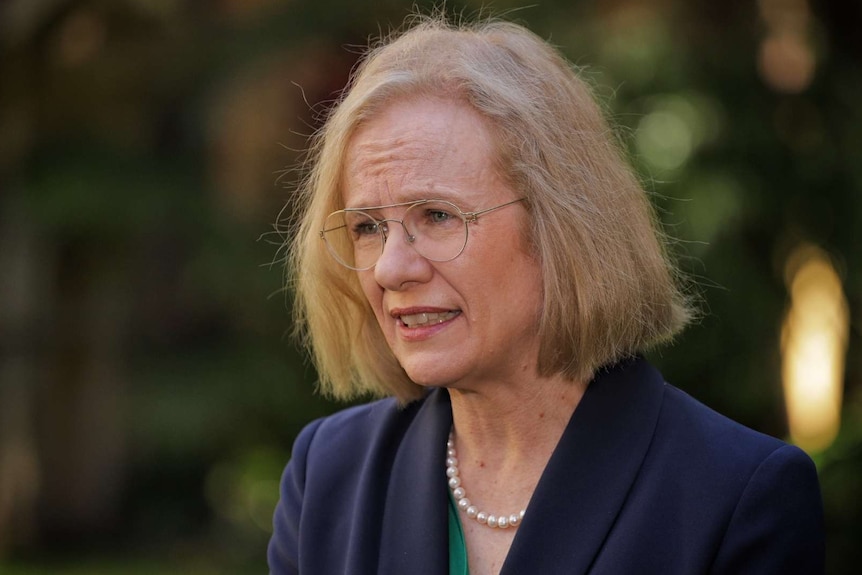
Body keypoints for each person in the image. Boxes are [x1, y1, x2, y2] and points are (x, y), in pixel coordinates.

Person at [267, 14, 825, 575]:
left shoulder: (739, 496)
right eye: (367, 227)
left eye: (436, 216)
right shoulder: (329, 476)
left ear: (560, 227)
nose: (390, 268)